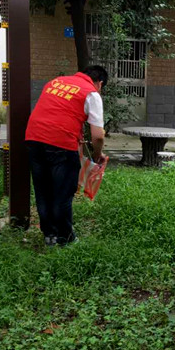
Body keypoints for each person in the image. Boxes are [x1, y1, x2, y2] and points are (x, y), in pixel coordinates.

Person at [25, 65, 108, 247]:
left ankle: (50, 235)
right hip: (60, 144)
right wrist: (97, 154)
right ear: (100, 83)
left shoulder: (55, 82)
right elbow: (98, 135)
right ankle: (65, 237)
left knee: (43, 190)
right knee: (62, 193)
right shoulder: (91, 93)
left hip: (33, 139)